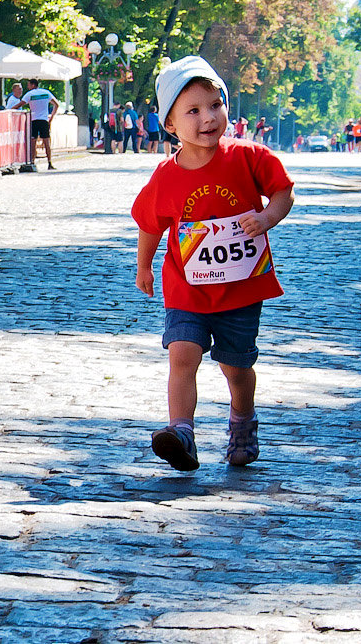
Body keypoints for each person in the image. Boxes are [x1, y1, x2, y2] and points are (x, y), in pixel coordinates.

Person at [132, 56, 295, 470]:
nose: (208, 118)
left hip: (240, 289)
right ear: (170, 125)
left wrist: (267, 217)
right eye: (193, 110)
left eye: (215, 105)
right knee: (182, 353)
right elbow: (150, 224)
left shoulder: (249, 157)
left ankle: (242, 421)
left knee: (236, 367)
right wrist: (144, 266)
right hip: (187, 287)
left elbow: (282, 191)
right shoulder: (165, 177)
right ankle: (181, 432)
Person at [18, 78, 59, 170]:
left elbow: (20, 105)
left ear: (33, 85)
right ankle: (49, 162)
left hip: (34, 120)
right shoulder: (46, 93)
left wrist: (10, 109)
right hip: (44, 120)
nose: (28, 87)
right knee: (46, 142)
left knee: (33, 141)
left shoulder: (29, 94)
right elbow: (56, 104)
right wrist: (51, 117)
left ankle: (32, 161)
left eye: (29, 85)